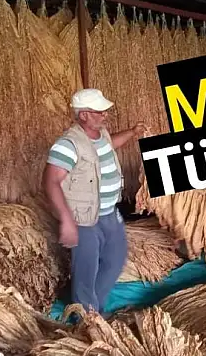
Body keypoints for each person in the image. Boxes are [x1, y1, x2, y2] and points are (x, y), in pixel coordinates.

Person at [42, 88, 146, 318]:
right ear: (84, 115)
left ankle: (90, 309)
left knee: (115, 259)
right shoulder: (68, 145)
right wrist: (67, 221)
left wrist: (132, 132)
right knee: (87, 268)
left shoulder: (101, 135)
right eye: (100, 111)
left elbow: (110, 144)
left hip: (109, 212)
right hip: (84, 217)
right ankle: (87, 318)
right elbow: (50, 182)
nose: (105, 114)